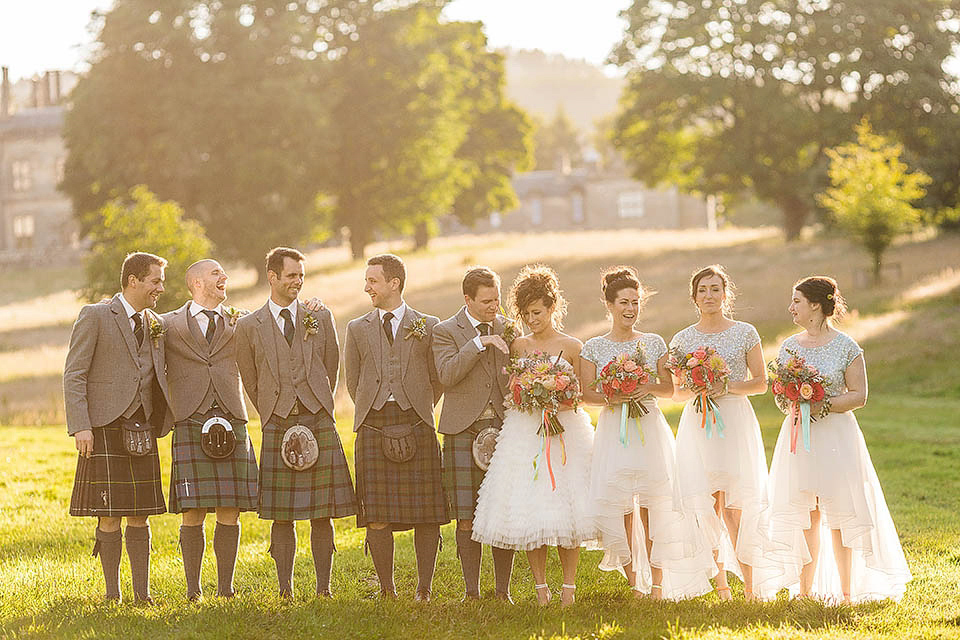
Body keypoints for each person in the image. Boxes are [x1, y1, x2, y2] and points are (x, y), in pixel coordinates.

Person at [757, 276, 911, 603]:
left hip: (836, 436)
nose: (791, 307)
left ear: (815, 305)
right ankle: (804, 591)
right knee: (806, 512)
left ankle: (845, 592)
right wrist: (793, 401)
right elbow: (781, 398)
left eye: (796, 301)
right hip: (799, 434)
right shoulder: (789, 346)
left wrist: (821, 404)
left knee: (841, 513)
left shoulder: (847, 347)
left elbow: (860, 395)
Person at [580, 267, 715, 600]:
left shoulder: (653, 343)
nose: (630, 309)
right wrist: (614, 394)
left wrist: (644, 385)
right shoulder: (593, 347)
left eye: (635, 303)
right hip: (614, 430)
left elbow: (670, 388)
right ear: (609, 304)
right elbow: (585, 394)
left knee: (654, 506)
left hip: (649, 429)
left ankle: (656, 582)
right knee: (621, 507)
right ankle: (633, 582)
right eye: (624, 302)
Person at [471, 265, 595, 607]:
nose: (531, 320)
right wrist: (529, 393)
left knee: (568, 508)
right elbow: (512, 390)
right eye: (525, 314)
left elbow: (583, 392)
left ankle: (568, 587)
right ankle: (541, 588)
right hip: (526, 432)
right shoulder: (519, 345)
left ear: (552, 308)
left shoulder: (572, 346)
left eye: (537, 312)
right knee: (530, 507)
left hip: (565, 432)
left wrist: (558, 395)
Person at [235, 247, 356, 598]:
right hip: (277, 420)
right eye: (291, 276)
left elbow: (331, 362)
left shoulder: (319, 315)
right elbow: (250, 376)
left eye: (301, 276)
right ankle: (284, 588)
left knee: (322, 512)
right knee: (281, 514)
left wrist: (318, 400)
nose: (297, 282)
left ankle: (324, 588)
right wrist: (272, 410)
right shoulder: (248, 325)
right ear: (272, 276)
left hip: (317, 416)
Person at [64, 252, 171, 604]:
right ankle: (113, 595)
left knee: (140, 516)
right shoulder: (95, 315)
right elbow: (75, 373)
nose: (160, 287)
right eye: (155, 280)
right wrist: (81, 426)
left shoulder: (155, 321)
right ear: (133, 281)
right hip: (105, 427)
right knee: (108, 516)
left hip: (142, 428)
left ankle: (142, 595)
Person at [343, 254, 447, 601]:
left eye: (372, 280)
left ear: (394, 283)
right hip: (373, 425)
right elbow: (352, 378)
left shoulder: (428, 324)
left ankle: (424, 588)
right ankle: (387, 588)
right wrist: (375, 404)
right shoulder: (357, 328)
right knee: (376, 514)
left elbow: (438, 378)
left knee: (426, 514)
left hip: (417, 421)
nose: (366, 287)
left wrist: (417, 404)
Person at [669, 265, 769, 600]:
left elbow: (760, 383)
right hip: (698, 424)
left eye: (715, 289)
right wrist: (697, 387)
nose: (709, 296)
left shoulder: (745, 332)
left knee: (735, 507)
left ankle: (752, 586)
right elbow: (677, 392)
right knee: (707, 504)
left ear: (725, 295)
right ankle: (722, 584)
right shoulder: (682, 340)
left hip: (734, 421)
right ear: (694, 297)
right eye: (703, 290)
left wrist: (723, 385)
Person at [162, 259, 259, 600]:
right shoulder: (167, 323)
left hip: (231, 416)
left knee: (230, 507)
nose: (225, 277)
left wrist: (310, 307)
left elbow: (276, 321)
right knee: (193, 510)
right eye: (217, 273)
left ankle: (226, 588)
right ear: (197, 282)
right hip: (190, 419)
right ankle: (193, 589)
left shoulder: (242, 320)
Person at [433, 267, 515, 602]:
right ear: (467, 299)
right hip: (461, 431)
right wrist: (477, 344)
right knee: (466, 516)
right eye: (486, 301)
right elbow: (447, 375)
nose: (494, 306)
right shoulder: (445, 331)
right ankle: (471, 592)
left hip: (504, 430)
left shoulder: (509, 328)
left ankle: (502, 591)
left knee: (502, 512)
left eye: (496, 298)